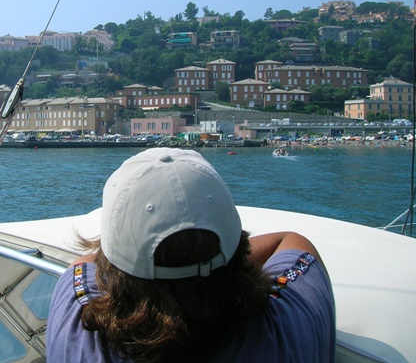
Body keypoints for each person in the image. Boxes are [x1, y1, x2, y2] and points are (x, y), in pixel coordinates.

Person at [46, 148, 335, 362]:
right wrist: (206, 264)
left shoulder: (80, 333)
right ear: (236, 249)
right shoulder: (287, 334)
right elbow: (291, 241)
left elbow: (85, 264)